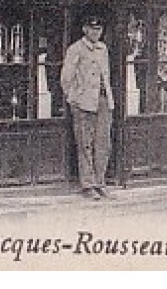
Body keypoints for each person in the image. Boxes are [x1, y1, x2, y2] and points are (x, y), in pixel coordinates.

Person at [60, 14, 115, 200]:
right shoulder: (75, 49)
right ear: (85, 29)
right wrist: (74, 99)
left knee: (103, 144)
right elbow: (66, 78)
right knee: (85, 144)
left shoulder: (103, 49)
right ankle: (88, 185)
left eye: (99, 29)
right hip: (84, 103)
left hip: (103, 101)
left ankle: (100, 182)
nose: (96, 32)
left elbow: (105, 75)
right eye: (92, 29)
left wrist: (108, 98)